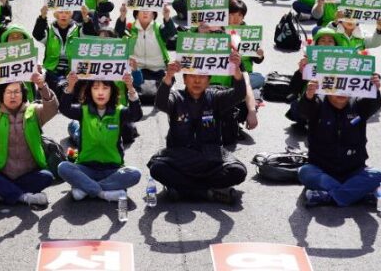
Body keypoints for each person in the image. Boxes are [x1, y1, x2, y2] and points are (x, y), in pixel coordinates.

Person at [148, 54, 247, 203]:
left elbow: (240, 94)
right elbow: (161, 103)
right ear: (184, 79)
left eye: (202, 77)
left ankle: (184, 190)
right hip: (180, 157)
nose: (197, 81)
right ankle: (208, 192)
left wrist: (236, 70)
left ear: (209, 80)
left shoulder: (216, 98)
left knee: (238, 171)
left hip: (210, 158)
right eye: (192, 76)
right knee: (157, 168)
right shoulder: (176, 98)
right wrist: (169, 76)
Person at [0, 67, 57, 207]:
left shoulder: (34, 112)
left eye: (17, 92)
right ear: (2, 95)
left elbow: (52, 108)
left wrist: (42, 86)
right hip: (2, 173)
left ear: (23, 94)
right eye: (9, 92)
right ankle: (24, 197)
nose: (13, 96)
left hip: (29, 173)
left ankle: (3, 192)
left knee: (47, 177)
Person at [297, 69, 381, 207]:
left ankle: (329, 197)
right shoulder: (318, 103)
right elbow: (303, 110)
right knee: (305, 172)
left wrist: (375, 88)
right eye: (336, 86)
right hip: (322, 169)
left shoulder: (359, 105)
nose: (342, 93)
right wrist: (308, 96)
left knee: (377, 174)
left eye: (346, 87)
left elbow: (374, 103)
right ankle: (356, 194)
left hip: (353, 170)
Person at [57, 72, 143, 202]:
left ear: (112, 91)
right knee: (63, 167)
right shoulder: (83, 110)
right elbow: (64, 108)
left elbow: (136, 115)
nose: (100, 93)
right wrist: (70, 86)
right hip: (86, 167)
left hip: (112, 169)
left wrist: (130, 88)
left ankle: (86, 188)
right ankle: (104, 192)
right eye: (96, 88)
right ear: (90, 91)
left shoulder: (119, 111)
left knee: (135, 173)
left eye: (105, 88)